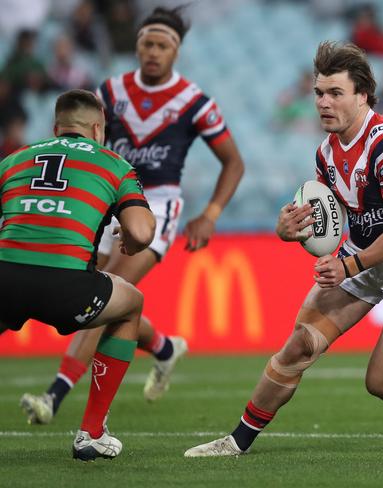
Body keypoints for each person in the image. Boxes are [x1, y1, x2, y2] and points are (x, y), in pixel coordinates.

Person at [184, 41, 383, 457]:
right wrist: (291, 229)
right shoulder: (326, 153)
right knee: (299, 345)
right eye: (318, 93)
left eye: (335, 93)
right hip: (363, 256)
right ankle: (237, 441)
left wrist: (348, 267)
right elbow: (330, 223)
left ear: (363, 95)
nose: (323, 103)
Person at [20, 6, 245, 424]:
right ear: (137, 45)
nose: (153, 52)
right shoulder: (110, 91)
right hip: (108, 202)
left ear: (176, 51)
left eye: (162, 45)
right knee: (104, 301)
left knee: (102, 291)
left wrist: (210, 213)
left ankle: (53, 396)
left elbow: (233, 162)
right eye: (147, 44)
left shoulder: (194, 102)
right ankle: (163, 347)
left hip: (155, 206)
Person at [0, 89, 155, 460]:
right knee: (131, 303)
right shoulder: (113, 164)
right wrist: (131, 244)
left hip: (6, 278)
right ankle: (91, 433)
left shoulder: (13, 161)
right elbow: (143, 232)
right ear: (98, 128)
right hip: (68, 288)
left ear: (56, 128)